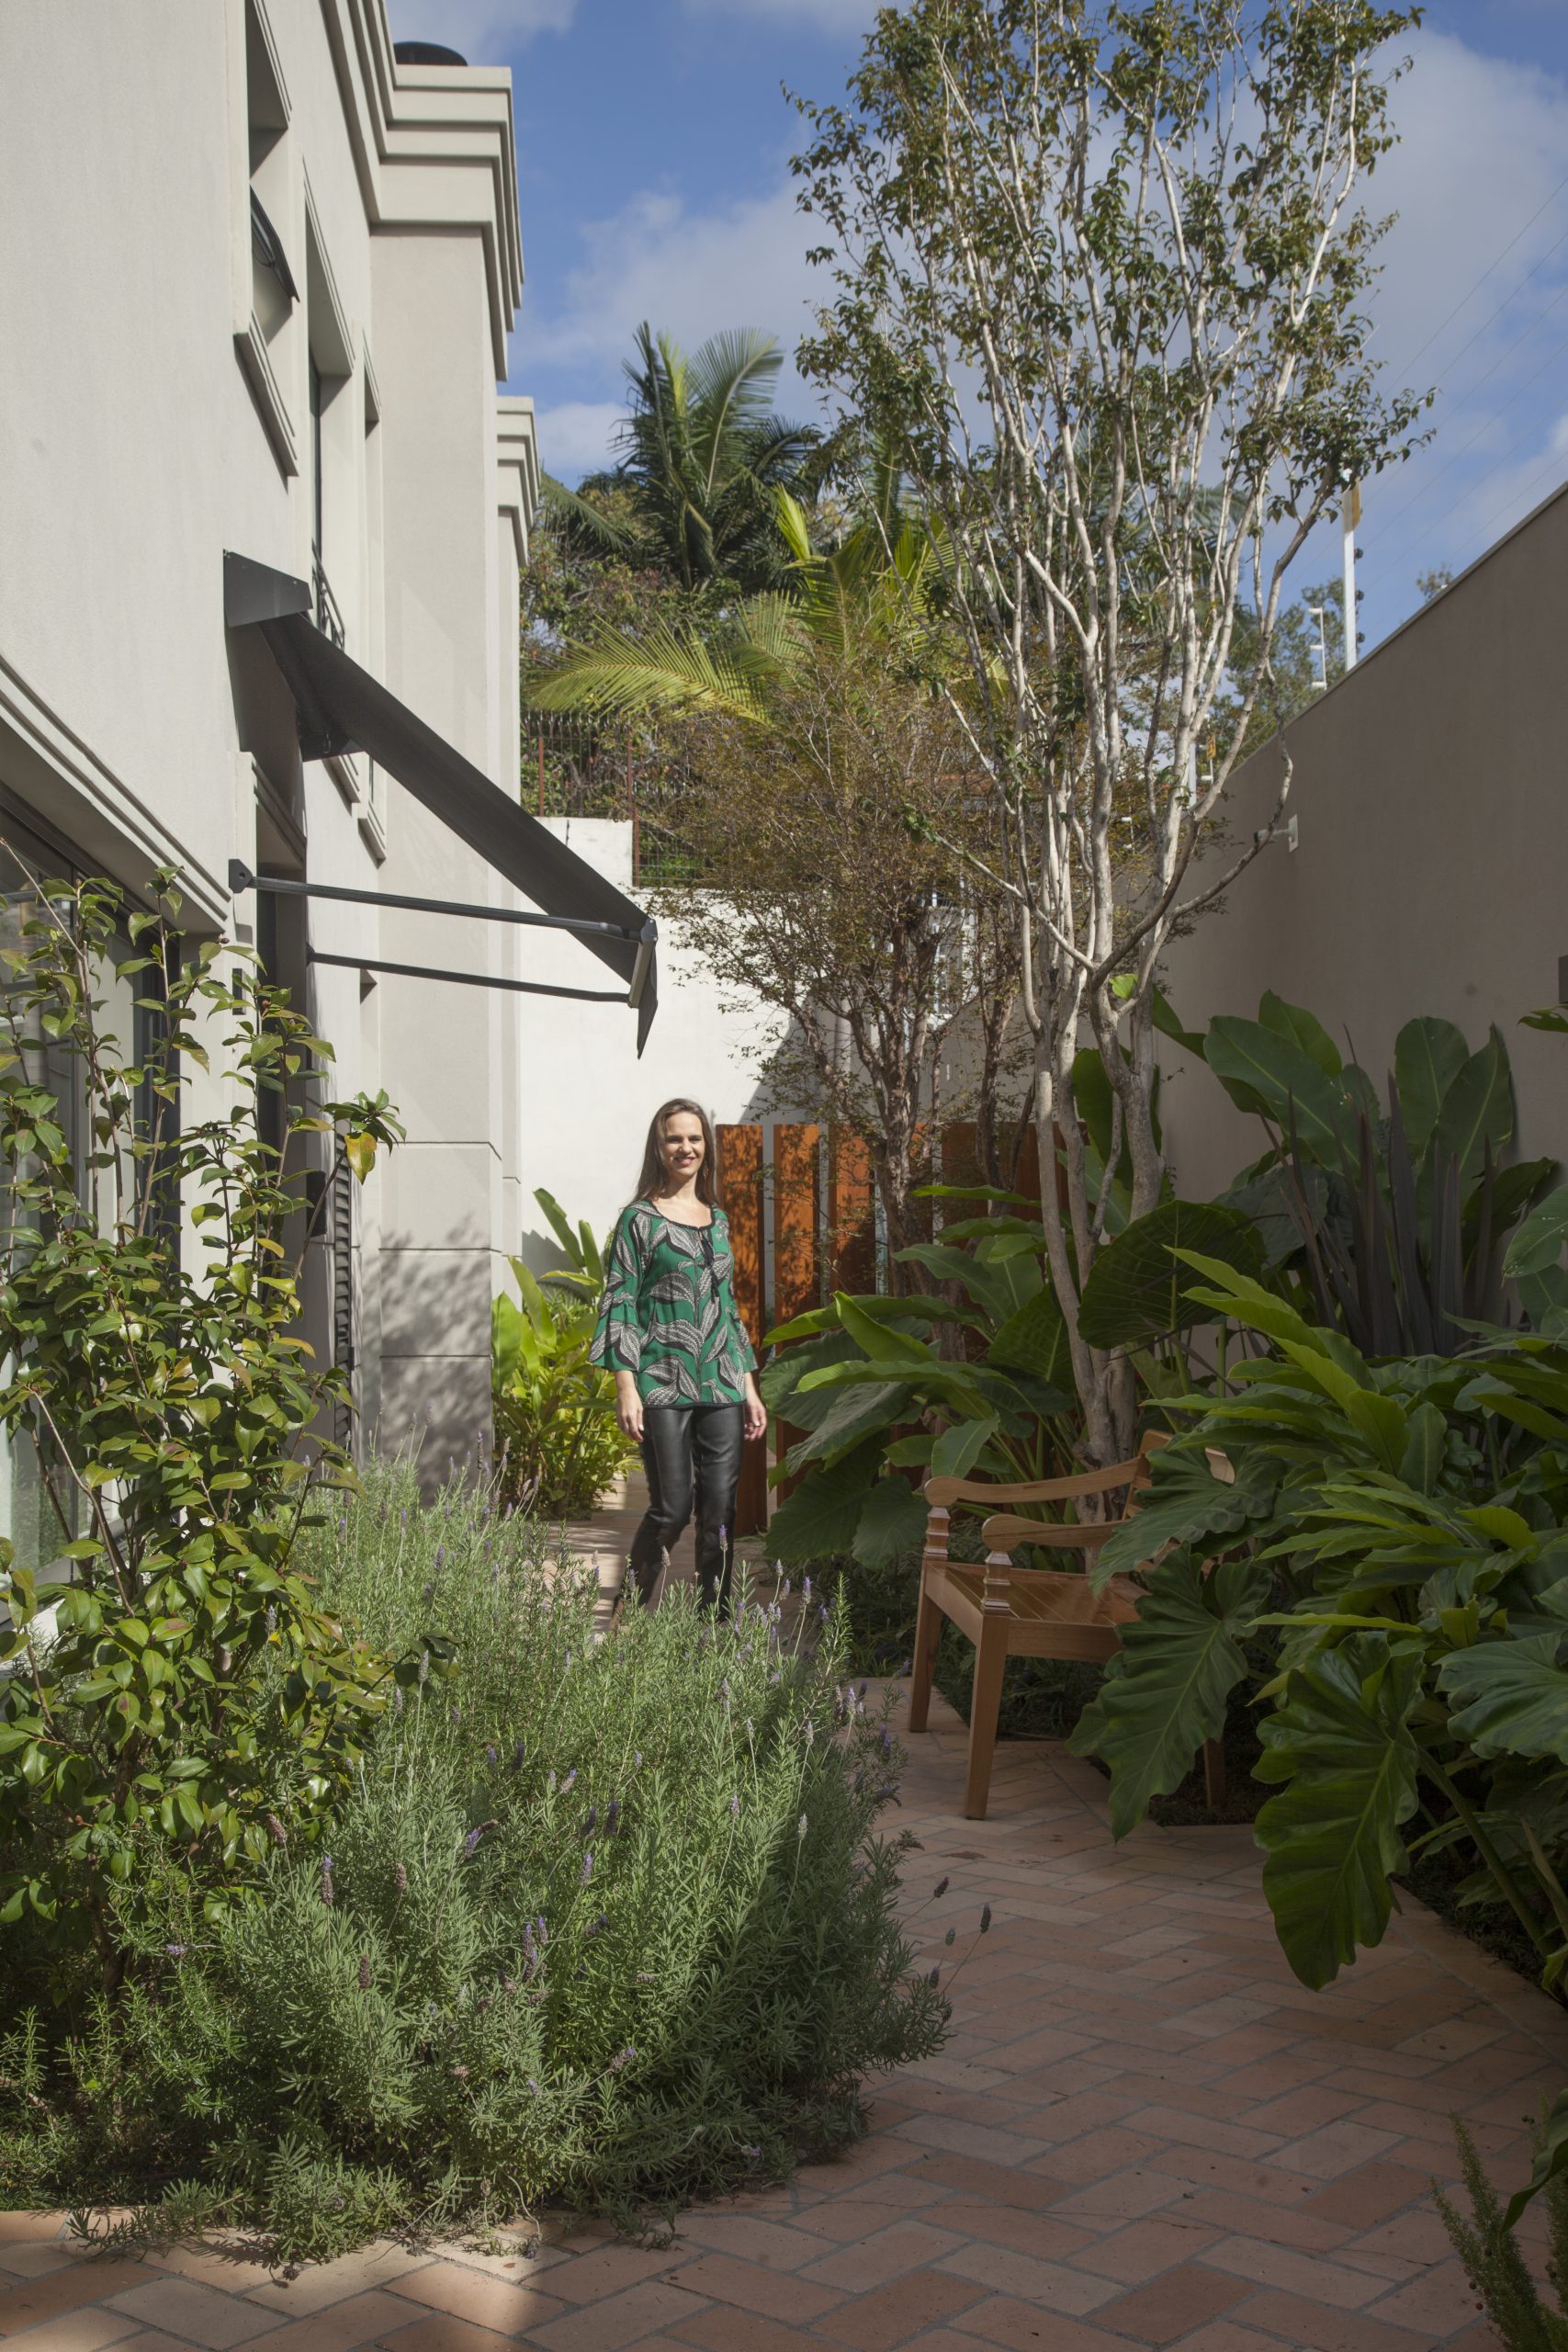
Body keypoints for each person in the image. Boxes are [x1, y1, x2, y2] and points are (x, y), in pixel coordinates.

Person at [590, 1099, 766, 1611]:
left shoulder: (718, 1220)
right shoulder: (638, 1220)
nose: (685, 1148)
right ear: (659, 1147)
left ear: (705, 1146)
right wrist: (626, 1387)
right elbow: (620, 1301)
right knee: (671, 1508)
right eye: (675, 1139)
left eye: (694, 1138)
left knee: (720, 1513)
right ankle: (628, 1613)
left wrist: (749, 1387)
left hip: (722, 1381)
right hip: (661, 1380)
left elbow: (727, 1308)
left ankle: (714, 1624)